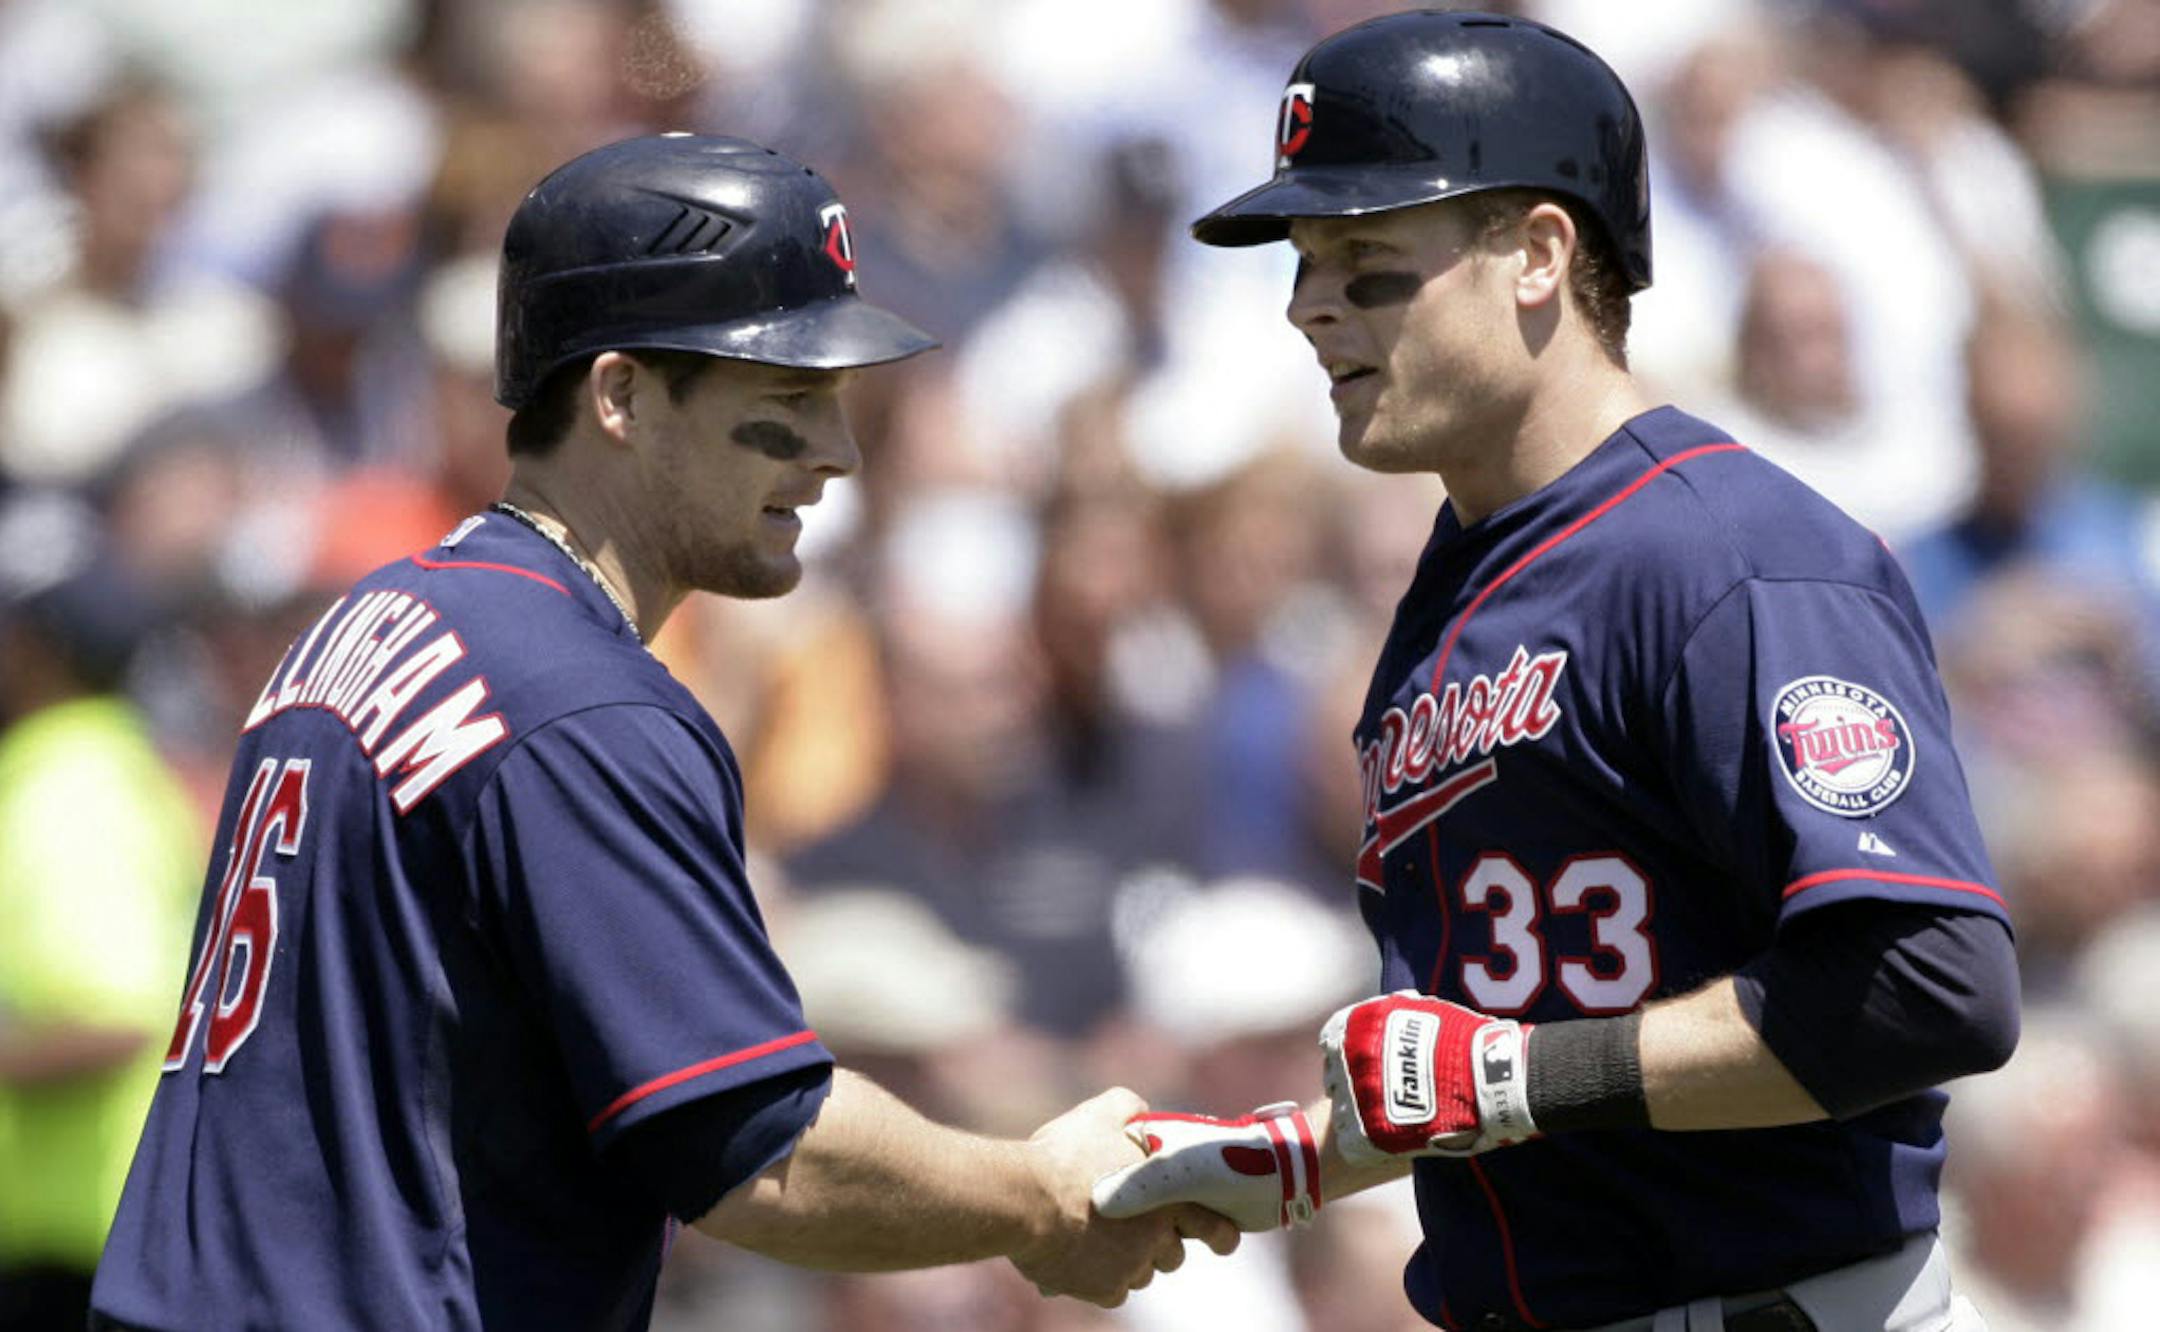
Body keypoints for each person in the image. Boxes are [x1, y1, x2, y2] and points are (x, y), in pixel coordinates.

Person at [87, 134, 1232, 1332]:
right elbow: (760, 1156)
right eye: (786, 399)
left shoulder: (372, 619)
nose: (837, 451)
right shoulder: (578, 701)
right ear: (621, 395)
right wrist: (1039, 1194)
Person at [1093, 13, 2019, 1332]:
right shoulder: (1461, 568)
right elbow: (1518, 1040)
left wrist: (1519, 1077)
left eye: (1365, 264)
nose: (1309, 308)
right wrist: (1316, 1153)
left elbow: (1926, 991)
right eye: (1305, 267)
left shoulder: (1728, 555)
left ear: (1537, 254)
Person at [0, 496, 200, 1331]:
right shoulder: (112, 762)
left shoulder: (66, 786)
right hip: (106, 1229)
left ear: (37, 649)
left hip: (84, 1244)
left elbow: (114, 1014)